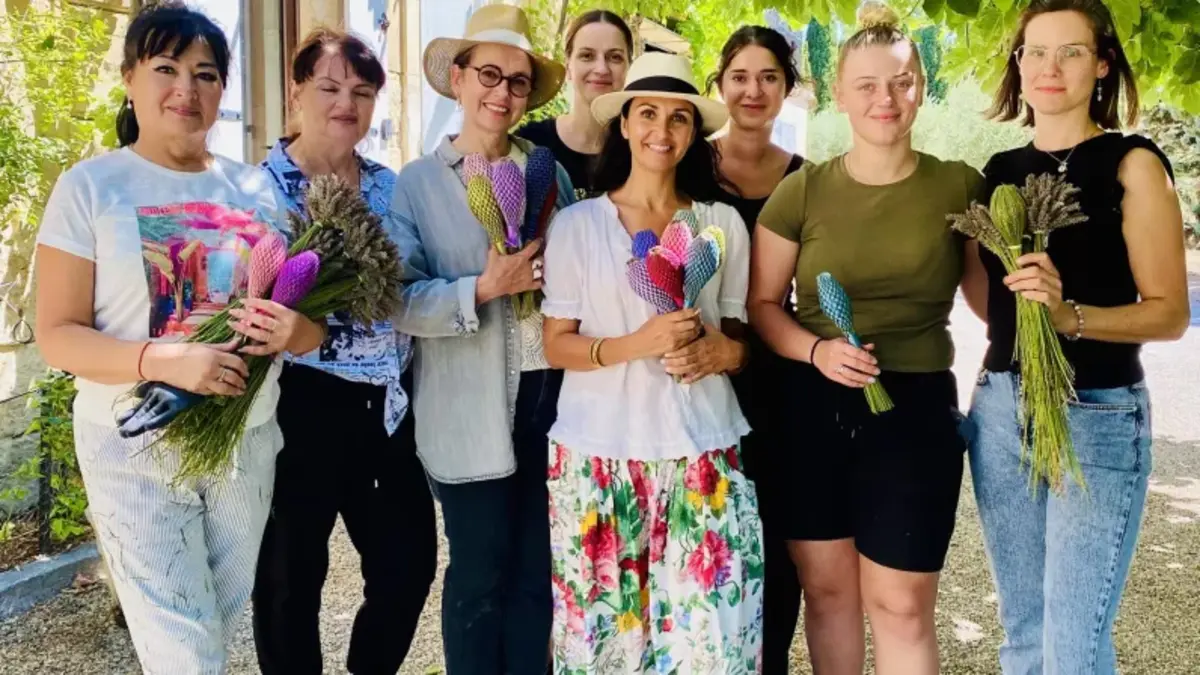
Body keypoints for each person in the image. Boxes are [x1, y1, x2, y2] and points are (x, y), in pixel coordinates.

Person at [33, 4, 325, 672]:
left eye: (204, 73)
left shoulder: (255, 190)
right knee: (186, 653)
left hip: (246, 442)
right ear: (131, 79)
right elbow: (56, 334)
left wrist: (296, 327)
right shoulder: (92, 187)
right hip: (135, 447)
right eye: (165, 68)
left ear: (223, 89)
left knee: (212, 631)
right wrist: (165, 359)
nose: (185, 90)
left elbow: (310, 333)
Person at [748, 5, 985, 674]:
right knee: (827, 592)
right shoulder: (801, 192)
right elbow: (763, 305)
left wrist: (1032, 275)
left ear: (922, 86)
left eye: (902, 81)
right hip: (811, 406)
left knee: (902, 603)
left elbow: (986, 304)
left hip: (913, 411)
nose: (886, 98)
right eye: (868, 85)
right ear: (840, 92)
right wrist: (818, 350)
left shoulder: (959, 184)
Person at [965, 1, 1190, 672]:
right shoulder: (997, 169)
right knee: (1024, 635)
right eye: (1035, 52)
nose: (1049, 68)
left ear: (1102, 64)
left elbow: (1170, 312)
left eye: (1070, 52)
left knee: (1073, 646)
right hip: (1001, 408)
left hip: (1094, 411)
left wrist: (1071, 318)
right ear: (1018, 66)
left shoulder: (1133, 163)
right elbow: (989, 304)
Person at [542, 51, 762, 673]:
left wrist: (728, 353)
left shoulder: (722, 224)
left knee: (710, 644)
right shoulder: (579, 226)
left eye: (678, 118)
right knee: (604, 648)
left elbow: (742, 335)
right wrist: (634, 344)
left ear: (694, 132)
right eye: (646, 114)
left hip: (703, 454)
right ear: (624, 124)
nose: (660, 131)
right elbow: (555, 343)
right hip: (597, 458)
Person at [388, 5, 574, 674]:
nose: (502, 92)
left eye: (517, 82)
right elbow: (400, 300)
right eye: (488, 74)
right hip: (466, 407)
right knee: (477, 577)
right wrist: (483, 288)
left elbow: (579, 277)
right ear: (459, 79)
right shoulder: (417, 183)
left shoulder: (550, 172)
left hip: (549, 400)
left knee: (536, 577)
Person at [251, 28, 436, 675]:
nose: (345, 104)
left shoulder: (391, 188)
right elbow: (257, 312)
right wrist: (303, 331)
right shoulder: (263, 192)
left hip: (386, 405)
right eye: (329, 88)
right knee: (288, 579)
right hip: (297, 408)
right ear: (297, 90)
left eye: (361, 91)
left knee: (409, 562)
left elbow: (411, 285)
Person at [707, 25, 806, 674]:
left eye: (768, 76)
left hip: (780, 375)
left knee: (775, 536)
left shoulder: (806, 178)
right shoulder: (686, 160)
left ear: (786, 90)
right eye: (740, 76)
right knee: (707, 533)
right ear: (719, 86)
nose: (753, 89)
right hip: (698, 365)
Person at [516, 9, 632, 199]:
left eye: (615, 57)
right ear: (568, 66)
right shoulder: (530, 144)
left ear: (628, 68)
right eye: (587, 56)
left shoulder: (640, 150)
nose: (601, 68)